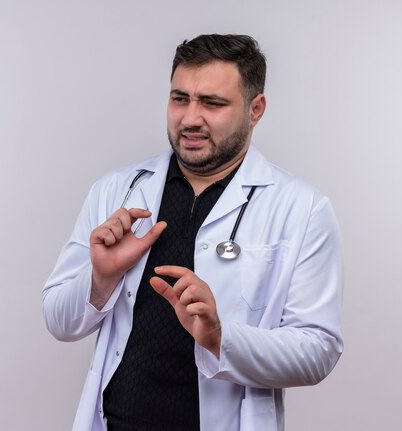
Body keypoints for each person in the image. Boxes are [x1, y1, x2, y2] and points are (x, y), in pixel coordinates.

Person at [42, 34, 343, 431]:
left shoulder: (301, 209)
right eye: (179, 98)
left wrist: (221, 338)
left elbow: (319, 351)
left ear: (256, 109)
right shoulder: (116, 190)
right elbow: (59, 322)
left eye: (213, 103)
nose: (190, 118)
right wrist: (101, 279)